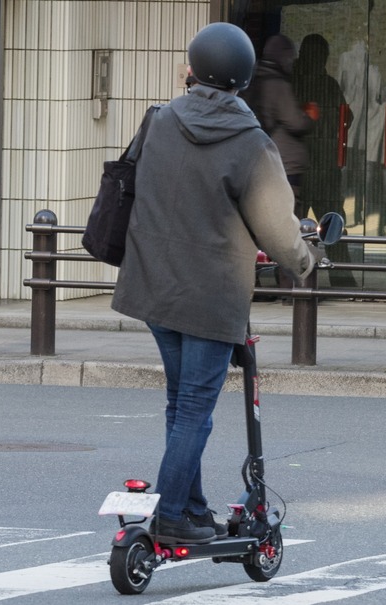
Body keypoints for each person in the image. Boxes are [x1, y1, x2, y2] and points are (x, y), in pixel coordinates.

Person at [111, 22, 319, 545]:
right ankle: (174, 513)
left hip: (155, 283)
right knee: (194, 412)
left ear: (193, 69)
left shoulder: (159, 120)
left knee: (180, 405)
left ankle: (194, 507)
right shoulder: (251, 143)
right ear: (242, 79)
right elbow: (278, 229)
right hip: (209, 296)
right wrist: (308, 257)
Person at [294, 33, 358, 288]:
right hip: (322, 166)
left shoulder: (293, 83)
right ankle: (343, 279)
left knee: (295, 227)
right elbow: (347, 117)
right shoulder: (326, 84)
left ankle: (289, 280)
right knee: (332, 227)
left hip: (300, 167)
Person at [242, 34, 316, 219]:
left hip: (258, 162)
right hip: (284, 165)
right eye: (290, 56)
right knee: (286, 218)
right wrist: (309, 115)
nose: (292, 61)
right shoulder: (276, 83)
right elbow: (295, 122)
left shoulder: (253, 79)